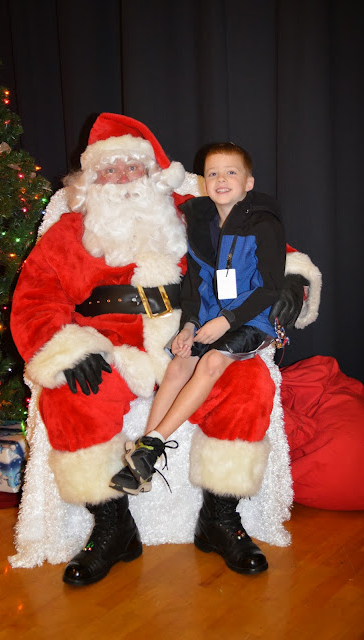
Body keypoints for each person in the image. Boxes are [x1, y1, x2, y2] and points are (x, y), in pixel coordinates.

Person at [10, 113, 319, 586]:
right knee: (72, 396)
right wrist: (66, 347)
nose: (122, 178)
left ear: (153, 172)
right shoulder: (68, 232)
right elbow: (35, 301)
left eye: (132, 166)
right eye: (108, 169)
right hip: (113, 347)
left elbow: (264, 243)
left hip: (195, 334)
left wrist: (292, 279)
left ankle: (219, 519)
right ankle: (113, 528)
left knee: (247, 383)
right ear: (90, 179)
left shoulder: (195, 210)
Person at [110, 142, 286, 510]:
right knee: (178, 366)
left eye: (231, 172)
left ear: (249, 182)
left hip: (249, 318)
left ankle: (152, 444)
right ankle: (144, 463)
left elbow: (270, 288)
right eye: (213, 173)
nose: (221, 179)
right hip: (208, 318)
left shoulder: (264, 223)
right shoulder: (199, 224)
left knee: (210, 363)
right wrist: (189, 326)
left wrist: (227, 321)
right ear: (204, 182)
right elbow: (194, 285)